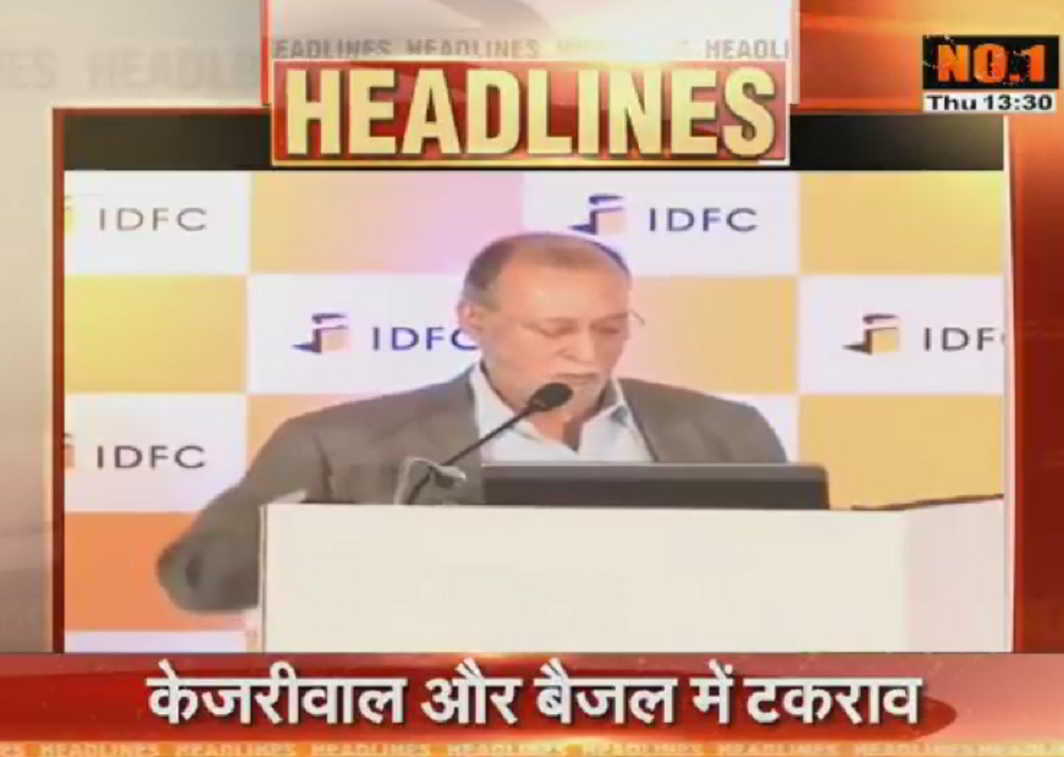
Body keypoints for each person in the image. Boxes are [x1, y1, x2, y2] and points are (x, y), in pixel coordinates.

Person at [157, 232, 786, 611]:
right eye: (555, 330)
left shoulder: (727, 431)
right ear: (472, 320)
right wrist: (320, 543)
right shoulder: (338, 445)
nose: (587, 355)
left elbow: (792, 579)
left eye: (611, 329)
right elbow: (200, 583)